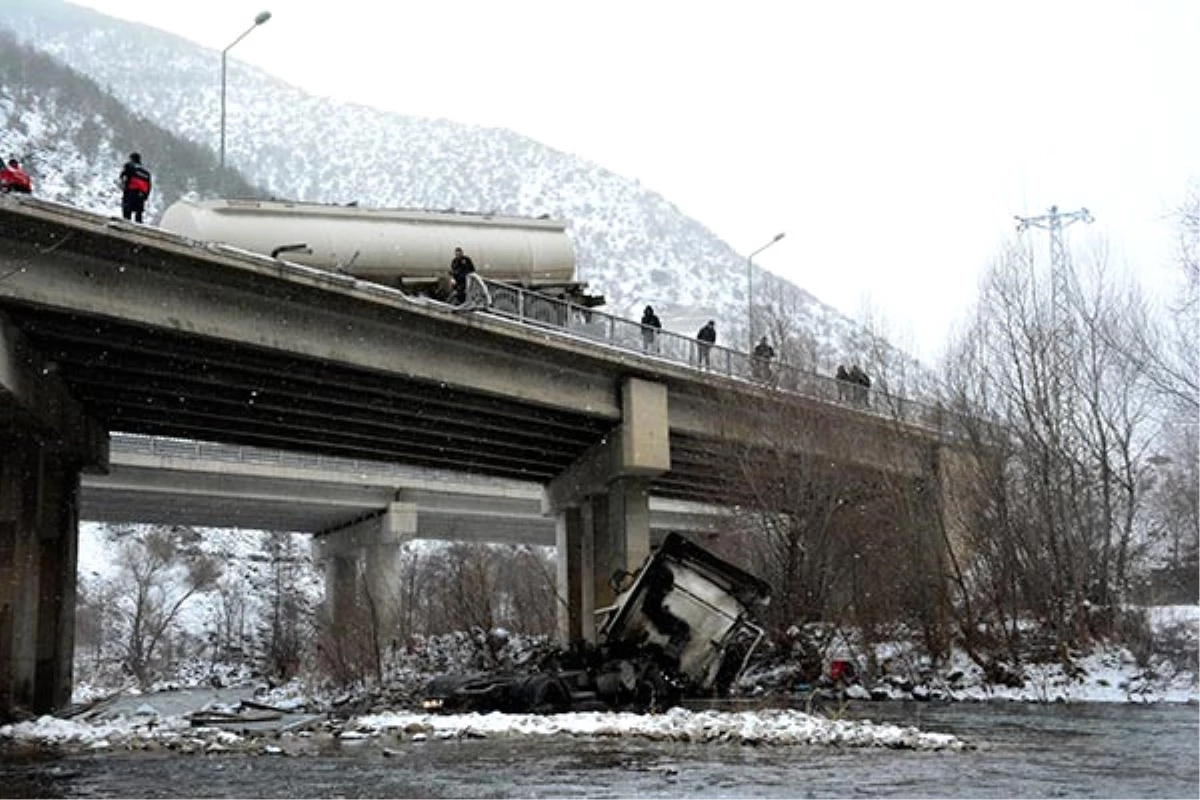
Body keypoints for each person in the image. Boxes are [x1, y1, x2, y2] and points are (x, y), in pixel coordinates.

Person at [119, 152, 152, 222]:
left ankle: (126, 228)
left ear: (132, 159)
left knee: (127, 214)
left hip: (130, 193)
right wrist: (145, 197)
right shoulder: (146, 172)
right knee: (138, 215)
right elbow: (149, 186)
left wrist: (123, 185)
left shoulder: (129, 166)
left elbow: (122, 176)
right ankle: (139, 228)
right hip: (141, 196)